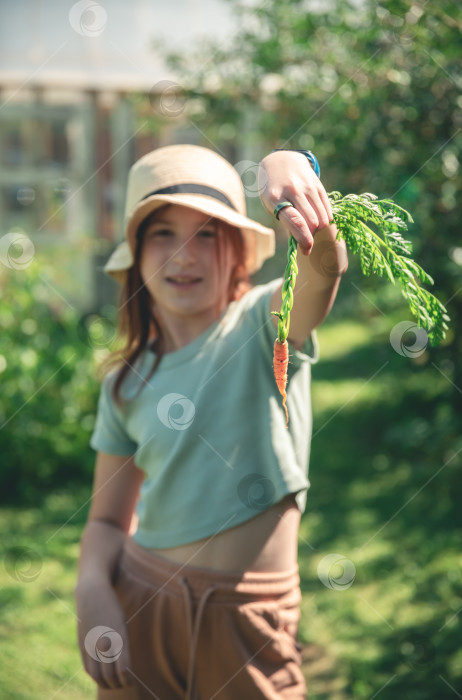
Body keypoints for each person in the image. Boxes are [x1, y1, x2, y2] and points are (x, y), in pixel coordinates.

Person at [74, 143, 348, 700]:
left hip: (247, 620)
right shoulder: (125, 381)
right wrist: (92, 590)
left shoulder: (263, 324)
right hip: (141, 602)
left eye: (207, 233)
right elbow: (106, 521)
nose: (185, 255)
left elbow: (323, 266)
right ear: (136, 253)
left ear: (238, 251)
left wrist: (289, 165)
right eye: (163, 234)